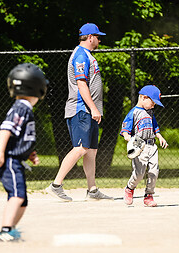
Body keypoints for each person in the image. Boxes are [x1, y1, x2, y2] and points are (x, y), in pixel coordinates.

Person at [46, 23, 113, 202]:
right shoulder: (81, 55)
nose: (99, 40)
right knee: (81, 148)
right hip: (81, 109)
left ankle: (92, 190)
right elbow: (81, 84)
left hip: (89, 111)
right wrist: (93, 108)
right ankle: (56, 185)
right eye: (98, 37)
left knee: (91, 151)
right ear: (90, 37)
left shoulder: (87, 55)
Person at [0, 63, 48, 242]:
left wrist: (30, 153)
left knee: (22, 200)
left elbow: (20, 136)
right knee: (17, 196)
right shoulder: (21, 108)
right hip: (10, 159)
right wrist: (1, 153)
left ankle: (11, 230)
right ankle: (5, 231)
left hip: (16, 158)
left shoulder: (24, 108)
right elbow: (5, 130)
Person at [120, 85, 168, 207]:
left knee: (154, 171)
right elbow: (125, 129)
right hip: (139, 146)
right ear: (143, 98)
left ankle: (149, 195)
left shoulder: (150, 113)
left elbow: (155, 128)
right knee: (139, 173)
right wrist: (127, 137)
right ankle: (130, 188)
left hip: (152, 146)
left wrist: (160, 136)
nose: (154, 105)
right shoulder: (134, 113)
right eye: (152, 102)